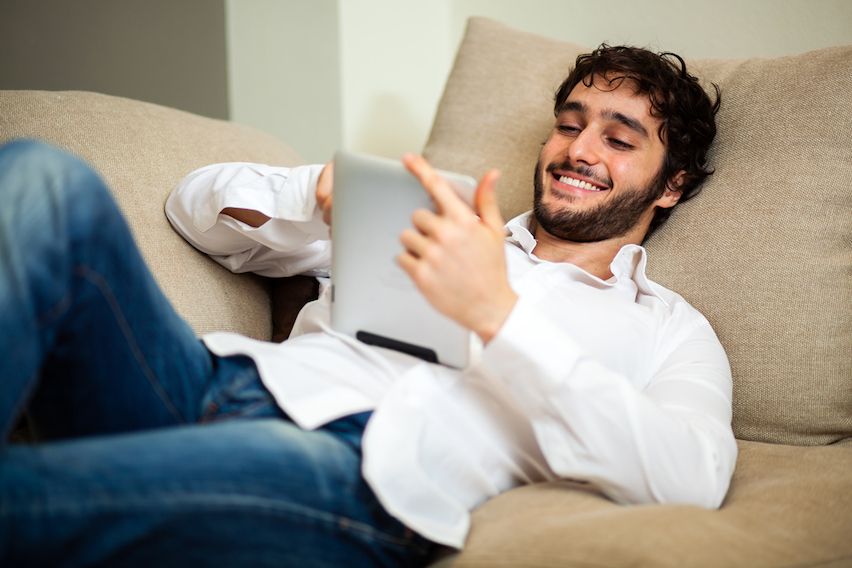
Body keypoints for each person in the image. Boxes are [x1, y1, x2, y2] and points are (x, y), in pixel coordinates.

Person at [0, 45, 736, 567]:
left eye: (619, 139)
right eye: (570, 125)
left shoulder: (668, 328)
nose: (579, 150)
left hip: (351, 469)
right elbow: (192, 210)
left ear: (671, 184)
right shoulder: (429, 219)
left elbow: (692, 477)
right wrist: (314, 194)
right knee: (45, 178)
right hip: (207, 384)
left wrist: (498, 316)